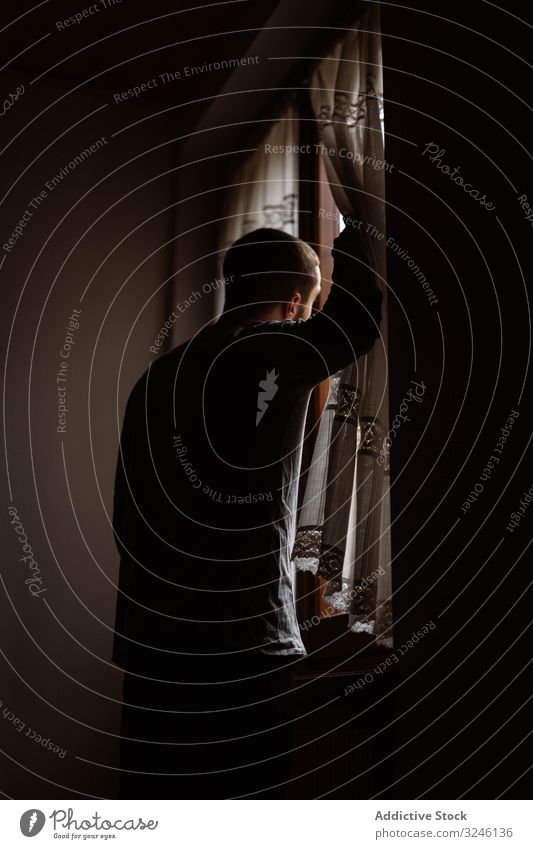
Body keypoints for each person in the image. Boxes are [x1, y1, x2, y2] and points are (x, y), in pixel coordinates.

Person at [112, 224, 382, 799]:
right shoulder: (266, 353)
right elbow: (356, 325)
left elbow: (128, 513)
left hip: (153, 641)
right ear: (291, 303)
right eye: (305, 308)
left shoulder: (161, 376)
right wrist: (359, 229)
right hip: (239, 643)